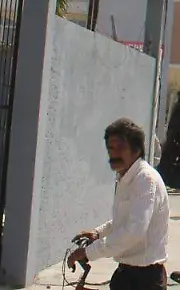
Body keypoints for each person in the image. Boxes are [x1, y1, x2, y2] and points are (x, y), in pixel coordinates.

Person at [67, 118, 170, 290]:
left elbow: (134, 230)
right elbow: (123, 221)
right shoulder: (126, 177)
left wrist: (88, 252)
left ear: (136, 150)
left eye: (120, 148)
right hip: (126, 273)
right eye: (110, 149)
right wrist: (98, 233)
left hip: (144, 278)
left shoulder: (145, 179)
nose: (113, 154)